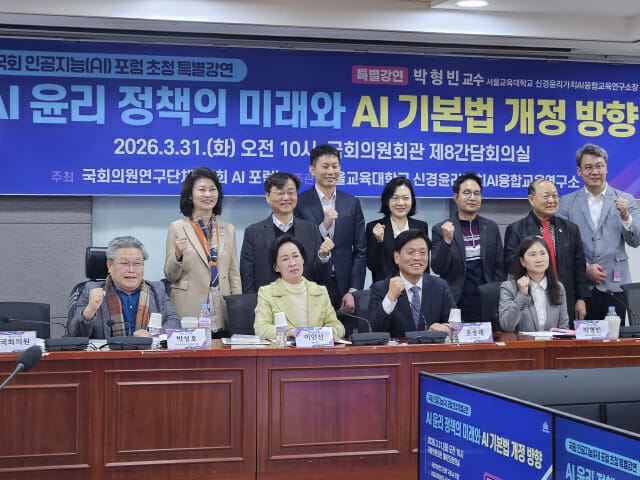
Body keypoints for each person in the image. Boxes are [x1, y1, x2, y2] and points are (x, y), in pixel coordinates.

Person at [557, 143, 640, 321]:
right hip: (580, 286)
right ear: (579, 171)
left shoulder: (626, 200)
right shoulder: (566, 203)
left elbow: (636, 240)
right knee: (581, 336)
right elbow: (562, 245)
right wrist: (585, 268)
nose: (595, 172)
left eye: (599, 166)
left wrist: (625, 216)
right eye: (588, 167)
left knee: (615, 335)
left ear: (606, 168)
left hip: (616, 286)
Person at [164, 167, 242, 330]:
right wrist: (177, 255)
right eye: (202, 190)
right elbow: (170, 275)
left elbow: (233, 273)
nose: (208, 194)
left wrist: (238, 307)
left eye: (212, 189)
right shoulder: (177, 227)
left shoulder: (228, 229)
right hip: (188, 307)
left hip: (221, 306)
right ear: (190, 195)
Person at [504, 178, 590, 324]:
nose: (551, 200)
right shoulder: (516, 229)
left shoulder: (570, 229)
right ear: (531, 200)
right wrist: (530, 249)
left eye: (555, 196)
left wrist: (581, 299)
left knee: (563, 335)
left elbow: (579, 266)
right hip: (531, 299)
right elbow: (510, 264)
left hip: (564, 298)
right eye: (546, 196)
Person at [294, 144, 367, 312]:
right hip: (310, 284)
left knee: (345, 328)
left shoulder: (351, 203)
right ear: (312, 170)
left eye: (335, 166)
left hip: (344, 288)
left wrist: (354, 290)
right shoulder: (300, 203)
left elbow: (361, 250)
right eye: (325, 166)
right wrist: (324, 225)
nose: (331, 171)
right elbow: (300, 245)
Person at [69, 236, 180, 338]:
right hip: (108, 353)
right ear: (109, 266)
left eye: (137, 264)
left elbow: (174, 322)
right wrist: (89, 311)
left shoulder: (157, 290)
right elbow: (74, 334)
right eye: (124, 263)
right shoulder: (91, 290)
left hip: (146, 351)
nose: (131, 270)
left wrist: (153, 335)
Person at [241, 172, 333, 293]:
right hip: (268, 300)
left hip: (303, 298)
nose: (286, 197)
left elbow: (321, 275)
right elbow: (247, 276)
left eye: (291, 192)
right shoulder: (253, 233)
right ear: (268, 196)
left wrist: (323, 256)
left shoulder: (311, 229)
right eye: (280, 193)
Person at [431, 172, 505, 322]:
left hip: (486, 302)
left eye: (476, 193)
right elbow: (438, 268)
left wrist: (495, 295)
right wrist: (446, 242)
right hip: (456, 302)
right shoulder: (441, 228)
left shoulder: (491, 227)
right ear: (456, 197)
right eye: (466, 193)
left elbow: (500, 267)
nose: (472, 198)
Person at [253, 235, 345, 340]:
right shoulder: (267, 293)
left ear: (303, 259)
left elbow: (337, 325)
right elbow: (261, 329)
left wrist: (331, 331)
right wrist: (291, 333)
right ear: (276, 267)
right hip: (286, 349)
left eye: (296, 256)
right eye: (285, 259)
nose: (292, 263)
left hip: (317, 349)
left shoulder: (320, 291)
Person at [369, 229, 454, 338]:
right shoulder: (381, 288)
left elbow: (454, 321)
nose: (417, 258)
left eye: (423, 253)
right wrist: (390, 298)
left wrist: (446, 327)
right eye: (410, 253)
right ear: (396, 257)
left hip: (431, 347)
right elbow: (375, 329)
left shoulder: (440, 286)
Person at [499, 235, 569, 332]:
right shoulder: (509, 287)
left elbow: (563, 328)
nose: (539, 259)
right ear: (522, 261)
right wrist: (522, 295)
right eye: (532, 255)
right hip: (522, 341)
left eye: (543, 253)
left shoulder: (558, 287)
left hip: (551, 342)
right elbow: (506, 326)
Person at [366, 177, 429, 284]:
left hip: (414, 288)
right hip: (385, 288)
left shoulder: (421, 227)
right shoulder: (374, 227)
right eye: (395, 198)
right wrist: (379, 242)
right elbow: (372, 266)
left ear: (412, 200)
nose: (400, 203)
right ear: (387, 200)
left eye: (405, 198)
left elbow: (424, 265)